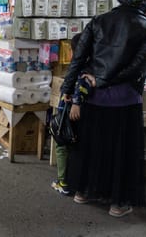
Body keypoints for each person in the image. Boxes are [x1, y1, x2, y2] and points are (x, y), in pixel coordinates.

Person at [61, 0, 146, 218]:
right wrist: (105, 80)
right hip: (125, 101)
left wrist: (67, 91)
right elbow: (136, 68)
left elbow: (78, 59)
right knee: (121, 153)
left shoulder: (99, 20)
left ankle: (83, 192)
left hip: (92, 97)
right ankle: (118, 203)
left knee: (91, 146)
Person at [52, 33, 92, 196]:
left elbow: (78, 86)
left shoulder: (78, 67)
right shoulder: (95, 66)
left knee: (62, 144)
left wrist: (75, 101)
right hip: (85, 113)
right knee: (78, 147)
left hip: (69, 112)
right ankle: (79, 183)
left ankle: (64, 182)